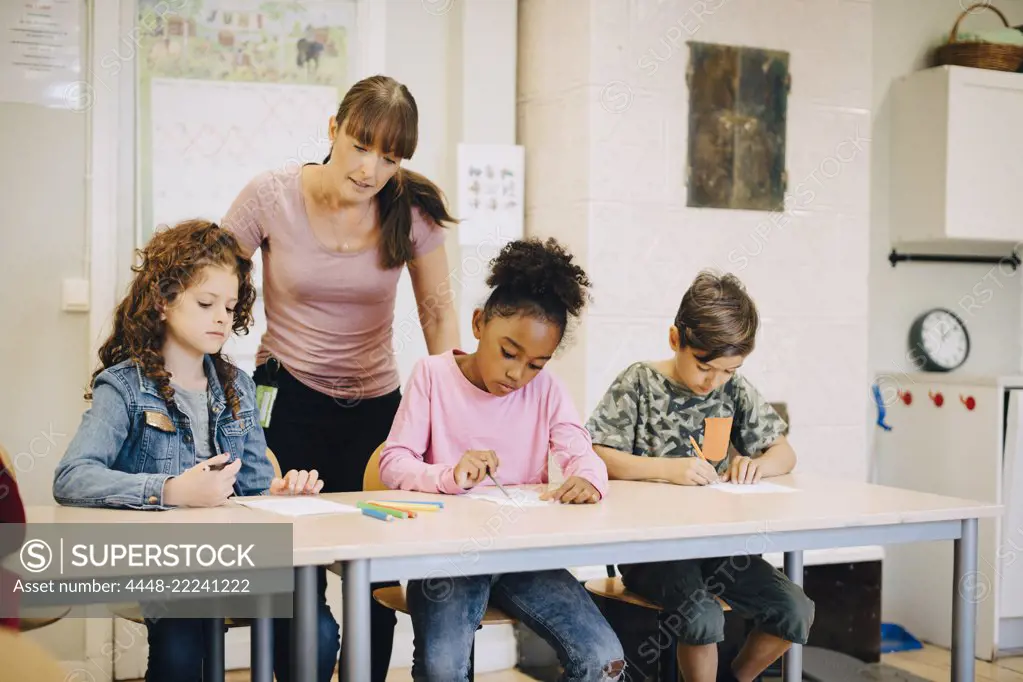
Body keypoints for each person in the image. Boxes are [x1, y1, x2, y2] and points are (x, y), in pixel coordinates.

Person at [220, 73, 460, 681]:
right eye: (361, 145)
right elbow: (208, 281)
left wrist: (454, 409)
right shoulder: (270, 196)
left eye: (391, 156)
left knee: (371, 570)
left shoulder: (408, 210)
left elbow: (438, 312)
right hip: (286, 392)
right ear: (333, 130)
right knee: (292, 559)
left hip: (377, 404)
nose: (371, 169)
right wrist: (211, 383)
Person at [51, 220, 335, 682]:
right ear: (162, 301)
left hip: (238, 559)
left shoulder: (239, 387)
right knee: (183, 644)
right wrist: (171, 490)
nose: (222, 317)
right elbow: (72, 477)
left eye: (229, 305)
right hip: (168, 564)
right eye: (206, 304)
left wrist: (282, 494)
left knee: (315, 630)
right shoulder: (123, 387)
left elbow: (255, 488)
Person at [379, 238, 626, 682]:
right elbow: (393, 462)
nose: (518, 374)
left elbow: (579, 450)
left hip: (522, 554)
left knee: (603, 657)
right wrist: (450, 475)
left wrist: (588, 477)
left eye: (535, 363)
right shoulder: (433, 376)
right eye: (509, 353)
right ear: (478, 324)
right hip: (449, 557)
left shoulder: (546, 390)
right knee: (440, 668)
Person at [585, 271, 814, 682]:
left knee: (795, 610)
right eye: (705, 367)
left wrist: (758, 464)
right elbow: (596, 453)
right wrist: (666, 470)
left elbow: (785, 452)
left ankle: (735, 678)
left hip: (717, 545)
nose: (714, 382)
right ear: (676, 340)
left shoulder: (733, 389)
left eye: (729, 370)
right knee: (702, 617)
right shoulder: (639, 382)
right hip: (652, 550)